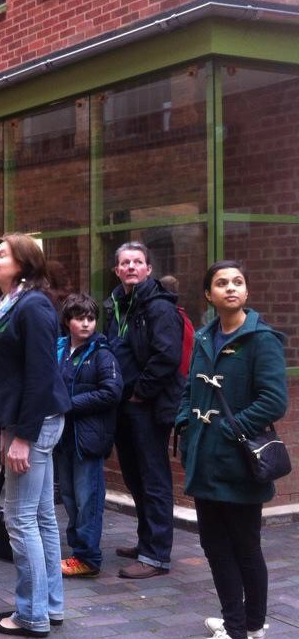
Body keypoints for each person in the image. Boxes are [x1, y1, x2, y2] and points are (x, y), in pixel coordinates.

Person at [0, 234, 71, 638]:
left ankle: (30, 615)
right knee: (39, 518)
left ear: (22, 265)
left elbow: (41, 374)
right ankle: (49, 606)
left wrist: (22, 436)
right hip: (25, 422)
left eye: (2, 255)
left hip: (33, 424)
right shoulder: (11, 304)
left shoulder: (33, 306)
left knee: (21, 519)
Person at [179, 261, 287, 639]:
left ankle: (236, 633)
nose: (230, 288)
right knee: (223, 542)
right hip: (205, 458)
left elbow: (274, 401)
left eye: (238, 282)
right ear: (208, 294)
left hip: (238, 460)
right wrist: (184, 421)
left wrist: (230, 429)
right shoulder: (206, 336)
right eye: (221, 283)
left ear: (246, 291)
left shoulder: (261, 340)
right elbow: (190, 389)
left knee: (234, 545)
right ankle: (251, 624)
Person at [104, 241, 184, 579]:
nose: (132, 267)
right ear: (117, 270)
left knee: (153, 479)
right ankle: (145, 542)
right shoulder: (117, 305)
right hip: (123, 404)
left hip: (146, 406)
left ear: (149, 269)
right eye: (125, 263)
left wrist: (140, 393)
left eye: (138, 261)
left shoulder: (158, 307)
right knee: (135, 477)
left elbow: (167, 356)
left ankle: (156, 557)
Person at [55, 294, 122, 578]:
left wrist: (69, 404)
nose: (85, 323)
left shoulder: (102, 354)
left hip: (88, 438)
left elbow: (112, 392)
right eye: (79, 318)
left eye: (90, 318)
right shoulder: (58, 349)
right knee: (69, 497)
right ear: (67, 321)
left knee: (88, 499)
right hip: (63, 437)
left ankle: (88, 557)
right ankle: (77, 552)